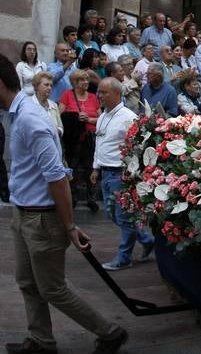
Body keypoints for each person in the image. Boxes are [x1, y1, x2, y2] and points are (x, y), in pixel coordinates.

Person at [0, 52, 127, 354]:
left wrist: (69, 225)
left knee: (52, 288)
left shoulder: (31, 120)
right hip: (24, 213)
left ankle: (109, 332)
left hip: (42, 219)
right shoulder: (19, 115)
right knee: (27, 283)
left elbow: (57, 177)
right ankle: (41, 340)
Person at [91, 77, 154, 271]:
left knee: (124, 217)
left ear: (117, 94)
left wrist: (132, 172)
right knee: (113, 215)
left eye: (103, 92)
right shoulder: (102, 116)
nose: (99, 95)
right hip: (106, 173)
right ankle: (146, 239)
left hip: (121, 174)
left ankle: (124, 257)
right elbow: (99, 143)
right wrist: (95, 167)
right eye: (99, 92)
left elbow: (138, 145)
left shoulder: (128, 116)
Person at [59, 69, 100, 212]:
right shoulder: (67, 95)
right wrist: (75, 116)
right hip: (73, 138)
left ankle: (91, 199)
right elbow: (60, 115)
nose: (86, 82)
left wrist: (89, 119)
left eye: (87, 79)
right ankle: (72, 197)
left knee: (90, 167)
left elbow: (101, 118)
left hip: (89, 137)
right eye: (83, 80)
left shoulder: (93, 97)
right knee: (73, 168)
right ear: (75, 82)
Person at [32, 72, 63, 138]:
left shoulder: (54, 105)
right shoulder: (29, 104)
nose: (49, 88)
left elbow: (60, 127)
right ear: (37, 86)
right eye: (46, 85)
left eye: (51, 85)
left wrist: (58, 132)